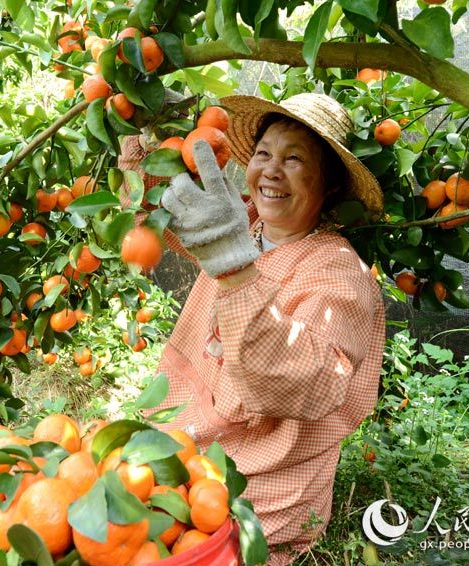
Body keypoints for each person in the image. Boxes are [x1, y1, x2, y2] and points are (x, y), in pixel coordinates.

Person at [120, 92, 386, 565]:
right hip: (186, 440)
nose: (272, 171)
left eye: (294, 159)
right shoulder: (244, 221)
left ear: (329, 186)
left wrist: (234, 267)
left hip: (257, 483)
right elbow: (156, 215)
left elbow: (309, 381)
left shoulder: (337, 272)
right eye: (264, 154)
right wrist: (148, 127)